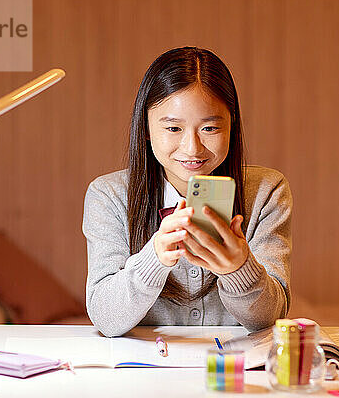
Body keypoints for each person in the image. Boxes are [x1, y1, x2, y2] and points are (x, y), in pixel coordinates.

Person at [82, 47, 292, 337]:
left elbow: (269, 319)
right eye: (173, 128)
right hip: (144, 371)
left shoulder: (267, 191)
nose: (192, 148)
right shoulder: (108, 195)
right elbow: (105, 318)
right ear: (145, 127)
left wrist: (239, 269)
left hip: (232, 371)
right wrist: (154, 258)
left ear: (232, 126)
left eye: (209, 128)